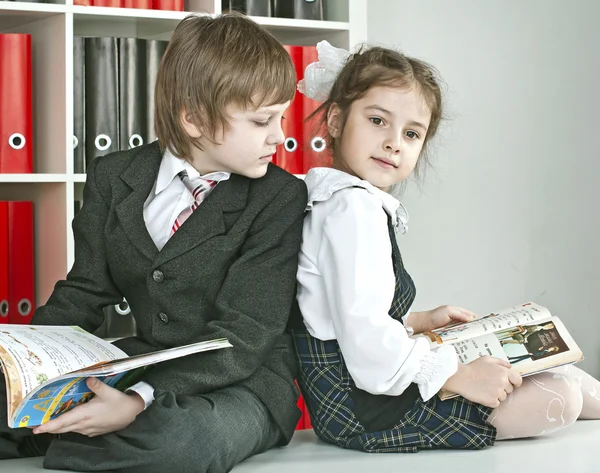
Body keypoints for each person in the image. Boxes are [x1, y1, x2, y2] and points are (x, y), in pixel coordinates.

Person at [0, 12, 308, 472]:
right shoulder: (114, 174)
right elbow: (84, 293)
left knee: (181, 444)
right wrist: (25, 366)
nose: (280, 137)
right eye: (263, 121)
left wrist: (139, 400)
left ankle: (52, 442)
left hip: (245, 380)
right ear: (194, 119)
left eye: (280, 118)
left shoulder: (279, 195)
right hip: (141, 362)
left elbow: (246, 334)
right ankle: (67, 434)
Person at [289, 40, 600, 453]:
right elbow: (364, 340)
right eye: (378, 120)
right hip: (363, 406)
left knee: (567, 381)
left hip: (363, 386)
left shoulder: (343, 200)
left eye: (411, 133)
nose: (394, 142)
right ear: (334, 120)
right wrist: (457, 375)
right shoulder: (351, 210)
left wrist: (419, 320)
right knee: (562, 398)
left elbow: (339, 312)